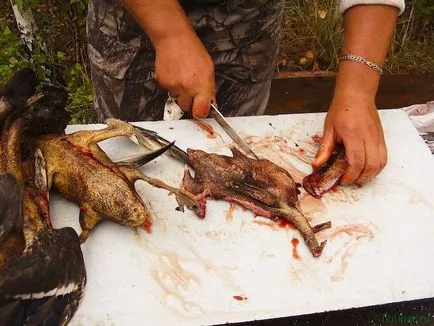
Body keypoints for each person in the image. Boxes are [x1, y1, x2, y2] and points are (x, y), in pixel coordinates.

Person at [86, 0, 405, 187]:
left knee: (239, 158)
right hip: (132, 20)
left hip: (249, 22)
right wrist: (168, 33)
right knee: (129, 169)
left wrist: (358, 89)